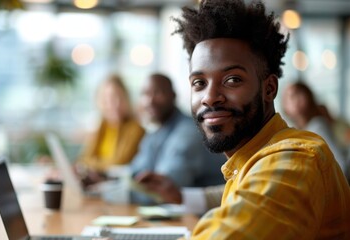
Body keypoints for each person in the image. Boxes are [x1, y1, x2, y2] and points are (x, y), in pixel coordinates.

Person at [137, 0, 350, 238]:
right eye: (199, 83)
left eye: (232, 80)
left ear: (269, 89)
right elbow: (245, 191)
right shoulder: (251, 162)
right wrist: (180, 197)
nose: (210, 98)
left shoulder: (297, 159)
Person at [130, 73, 226, 205]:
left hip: (204, 215)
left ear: (173, 96)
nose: (150, 100)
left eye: (158, 93)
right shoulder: (156, 132)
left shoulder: (188, 133)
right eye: (146, 94)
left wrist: (105, 191)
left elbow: (162, 190)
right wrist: (104, 180)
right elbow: (135, 171)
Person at [75, 74, 145, 187]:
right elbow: (83, 159)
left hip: (120, 187)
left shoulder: (136, 129)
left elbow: (119, 162)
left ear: (126, 99)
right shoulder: (101, 126)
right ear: (101, 101)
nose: (115, 104)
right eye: (109, 99)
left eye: (120, 98)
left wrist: (92, 165)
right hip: (98, 186)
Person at [282, 81, 349, 178]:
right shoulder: (300, 131)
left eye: (298, 93)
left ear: (308, 96)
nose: (295, 99)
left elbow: (340, 165)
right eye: (289, 96)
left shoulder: (317, 126)